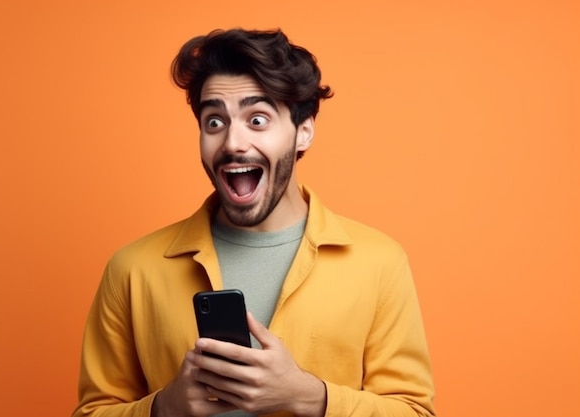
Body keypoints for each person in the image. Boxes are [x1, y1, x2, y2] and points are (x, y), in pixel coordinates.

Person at [72, 28, 436, 417]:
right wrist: (165, 407)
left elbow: (414, 411)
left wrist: (309, 397)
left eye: (257, 119)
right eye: (214, 122)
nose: (232, 143)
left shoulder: (378, 263)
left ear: (304, 131)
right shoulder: (132, 269)